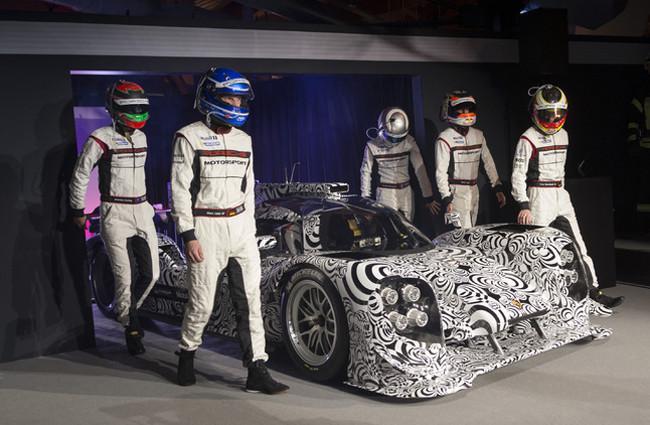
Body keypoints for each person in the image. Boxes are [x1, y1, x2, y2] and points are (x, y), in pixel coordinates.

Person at [171, 67, 288, 394]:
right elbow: (179, 188)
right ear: (211, 96)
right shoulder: (188, 137)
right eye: (229, 97)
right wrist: (188, 234)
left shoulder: (244, 140)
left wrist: (250, 230)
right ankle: (187, 354)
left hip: (240, 229)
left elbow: (248, 189)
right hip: (206, 227)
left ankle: (257, 368)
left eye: (239, 99)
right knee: (202, 302)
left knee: (250, 301)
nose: (236, 104)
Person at [512, 84, 623, 308]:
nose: (553, 120)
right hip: (539, 195)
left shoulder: (564, 135)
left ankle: (593, 292)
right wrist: (523, 204)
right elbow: (518, 173)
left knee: (578, 245)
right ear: (535, 112)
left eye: (558, 114)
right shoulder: (527, 138)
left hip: (561, 194)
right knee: (536, 249)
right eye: (547, 114)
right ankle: (529, 299)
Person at [69, 80, 159, 355]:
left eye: (139, 106)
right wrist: (77, 209)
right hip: (114, 212)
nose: (136, 112)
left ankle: (127, 313)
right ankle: (131, 327)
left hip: (142, 209)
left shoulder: (142, 138)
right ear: (115, 107)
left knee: (152, 274)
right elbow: (81, 173)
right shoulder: (100, 138)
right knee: (124, 276)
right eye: (130, 107)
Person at [435, 90, 506, 228]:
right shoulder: (445, 138)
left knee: (472, 230)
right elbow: (440, 172)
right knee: (462, 233)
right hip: (456, 193)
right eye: (461, 109)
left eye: (468, 108)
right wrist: (447, 198)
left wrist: (497, 187)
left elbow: (488, 163)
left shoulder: (478, 135)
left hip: (474, 189)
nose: (466, 112)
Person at [360, 107, 440, 222]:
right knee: (390, 226)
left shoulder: (408, 141)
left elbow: (420, 169)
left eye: (399, 138)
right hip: (386, 192)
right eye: (391, 138)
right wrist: (365, 199)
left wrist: (428, 196)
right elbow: (365, 172)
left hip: (405, 190)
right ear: (382, 129)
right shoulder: (372, 145)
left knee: (409, 227)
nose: (395, 142)